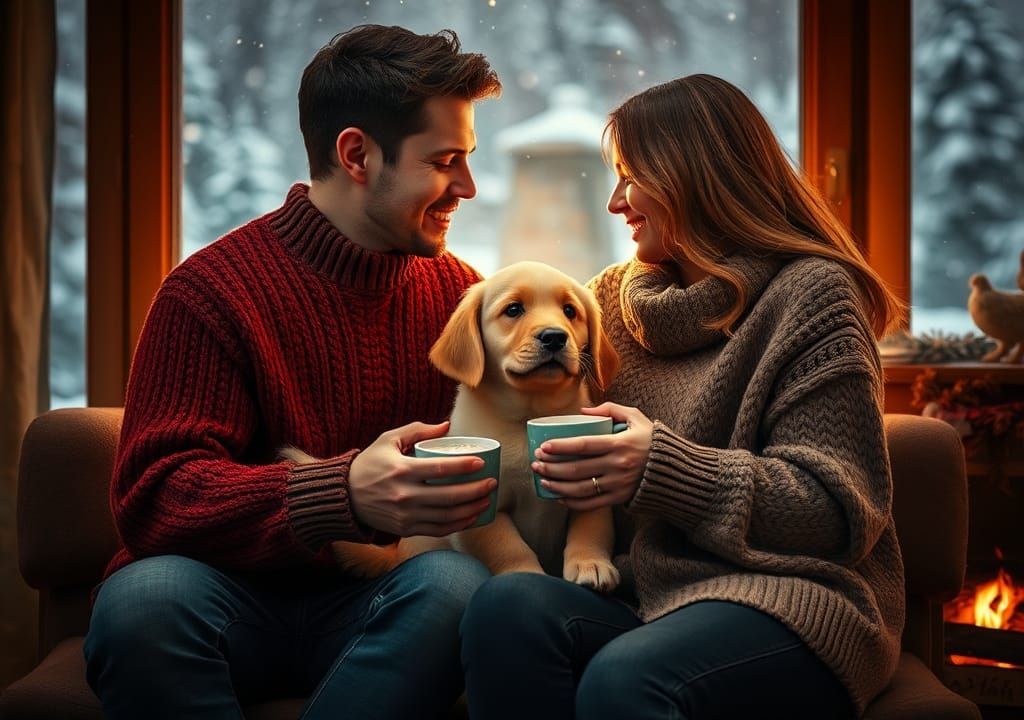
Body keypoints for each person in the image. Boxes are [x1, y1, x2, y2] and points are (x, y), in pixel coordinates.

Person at [84, 25, 501, 719]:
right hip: (218, 602)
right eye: (445, 160)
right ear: (357, 154)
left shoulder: (466, 300)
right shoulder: (210, 293)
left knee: (459, 587)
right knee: (141, 604)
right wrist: (338, 495)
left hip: (381, 603)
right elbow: (153, 498)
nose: (468, 186)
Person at [460, 74, 906, 719]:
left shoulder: (812, 296)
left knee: (627, 678)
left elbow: (836, 515)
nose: (616, 203)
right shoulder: (604, 301)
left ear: (695, 177)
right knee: (507, 606)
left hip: (789, 599)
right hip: (644, 593)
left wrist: (661, 468)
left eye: (630, 176)